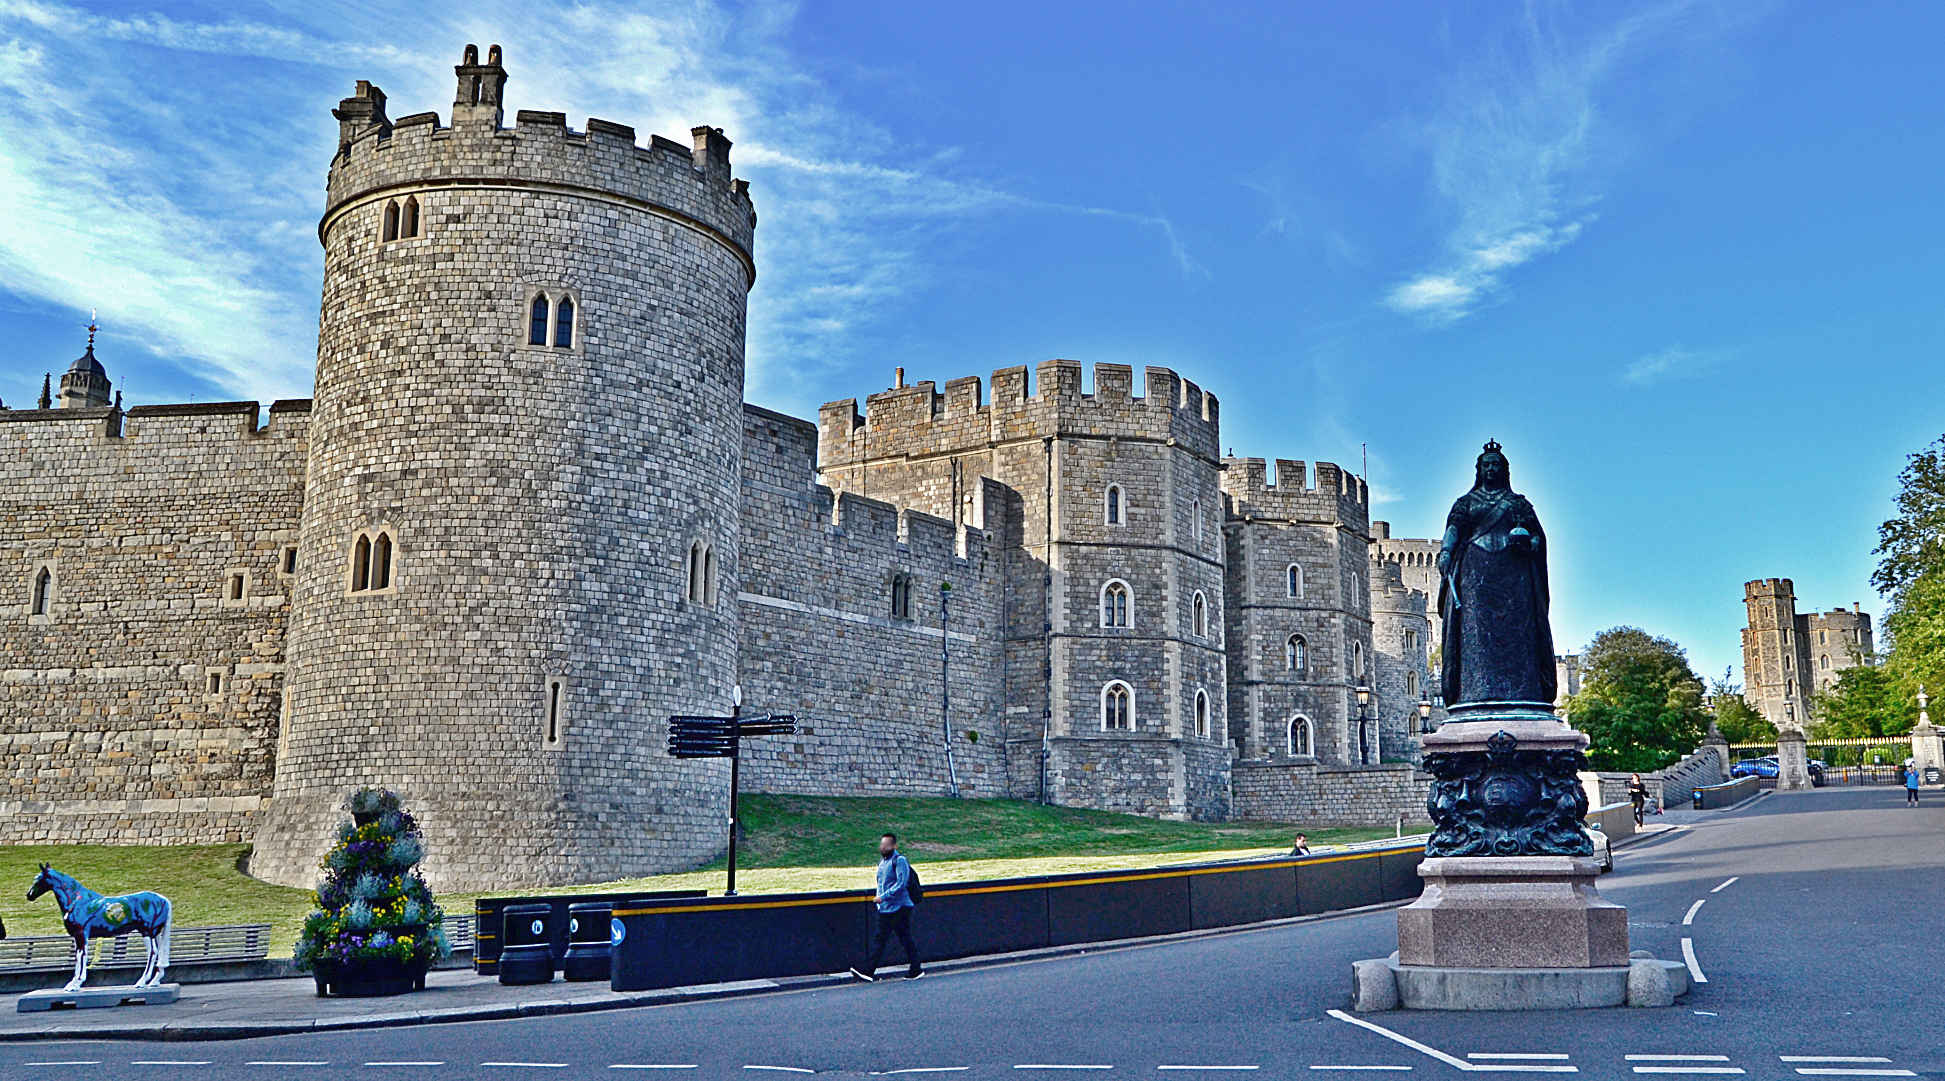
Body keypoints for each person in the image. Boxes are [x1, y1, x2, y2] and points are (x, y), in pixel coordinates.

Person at [850, 832, 922, 982]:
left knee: (882, 939)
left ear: (894, 846)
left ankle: (868, 971)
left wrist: (883, 897)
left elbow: (901, 884)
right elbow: (881, 884)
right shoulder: (882, 863)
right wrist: (880, 900)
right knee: (904, 938)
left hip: (900, 907)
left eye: (886, 845)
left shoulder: (900, 860)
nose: (883, 847)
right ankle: (916, 968)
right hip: (887, 907)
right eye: (882, 844)